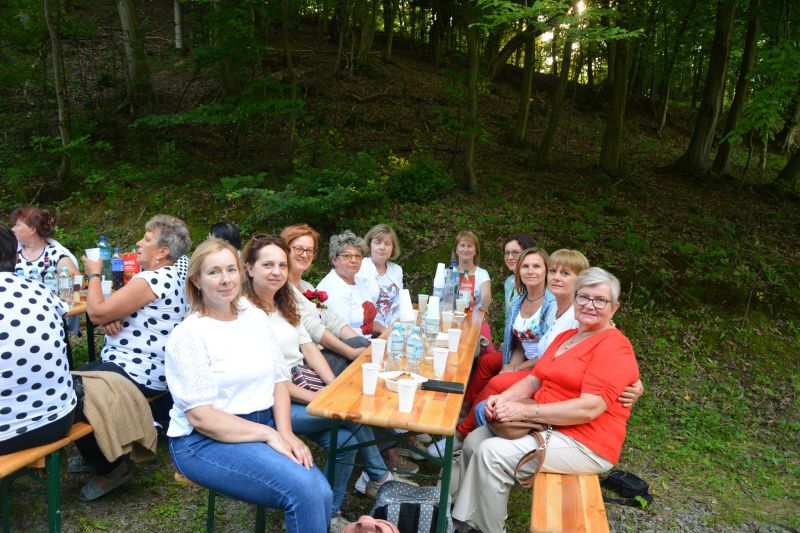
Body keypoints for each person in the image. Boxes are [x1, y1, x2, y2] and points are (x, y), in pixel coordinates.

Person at [241, 235, 416, 523]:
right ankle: (380, 478)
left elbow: (309, 347)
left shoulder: (282, 303)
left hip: (301, 383)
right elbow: (272, 381)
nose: (277, 272)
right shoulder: (245, 313)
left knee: (344, 440)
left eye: (281, 266)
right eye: (267, 265)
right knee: (350, 414)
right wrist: (324, 398)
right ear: (249, 268)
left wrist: (333, 387)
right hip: (270, 404)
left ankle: (329, 515)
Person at [451, 267, 640, 533]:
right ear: (574, 299)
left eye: (600, 300)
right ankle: (463, 519)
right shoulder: (566, 337)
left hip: (586, 441)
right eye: (583, 297)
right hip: (550, 425)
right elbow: (534, 380)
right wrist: (501, 399)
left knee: (491, 454)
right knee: (474, 440)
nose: (589, 305)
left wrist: (524, 412)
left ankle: (486, 528)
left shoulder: (613, 346)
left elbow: (589, 408)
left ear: (614, 307)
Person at [166, 239, 331, 533]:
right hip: (203, 440)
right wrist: (269, 433)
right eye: (214, 272)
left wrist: (285, 432)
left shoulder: (254, 317)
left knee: (323, 493)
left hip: (263, 422)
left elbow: (279, 380)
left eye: (231, 269)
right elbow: (202, 418)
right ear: (196, 281)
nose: (226, 279)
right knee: (305, 492)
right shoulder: (188, 334)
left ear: (241, 273)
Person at [74, 214, 191, 501]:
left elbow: (96, 312)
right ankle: (97, 453)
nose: (139, 243)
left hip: (139, 370)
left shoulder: (151, 279)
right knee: (80, 375)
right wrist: (111, 316)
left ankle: (112, 466)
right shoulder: (175, 274)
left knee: (72, 391)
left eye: (147, 239)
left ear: (163, 252)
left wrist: (94, 274)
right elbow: (112, 312)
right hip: (157, 368)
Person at [0, 223, 78, 455]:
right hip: (57, 419)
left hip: (7, 431)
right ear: (16, 257)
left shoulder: (54, 253)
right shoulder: (40, 289)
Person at [281, 224, 369, 376]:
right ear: (285, 250)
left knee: (363, 345)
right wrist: (350, 352)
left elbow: (330, 319)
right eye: (298, 249)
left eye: (309, 250)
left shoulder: (306, 286)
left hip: (321, 353)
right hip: (304, 361)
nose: (304, 255)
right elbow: (312, 327)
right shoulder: (282, 289)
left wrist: (361, 343)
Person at [317, 230, 380, 337]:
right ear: (334, 260)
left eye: (358, 256)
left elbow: (368, 321)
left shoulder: (358, 280)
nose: (354, 260)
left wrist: (388, 332)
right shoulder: (333, 287)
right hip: (350, 345)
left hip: (368, 340)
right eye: (347, 256)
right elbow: (342, 334)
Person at [356, 223, 404, 330]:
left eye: (387, 244)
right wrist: (385, 332)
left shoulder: (397, 270)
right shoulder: (360, 268)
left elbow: (399, 305)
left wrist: (395, 329)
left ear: (393, 248)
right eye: (377, 242)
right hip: (366, 329)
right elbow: (359, 309)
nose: (382, 247)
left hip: (391, 327)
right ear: (369, 245)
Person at [11, 207, 79, 277]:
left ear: (32, 230)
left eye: (18, 225)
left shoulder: (54, 254)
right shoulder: (11, 251)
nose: (13, 229)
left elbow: (77, 280)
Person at [501, 233, 533, 317]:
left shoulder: (535, 284)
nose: (510, 257)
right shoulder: (509, 282)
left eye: (515, 252)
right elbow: (508, 316)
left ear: (527, 254)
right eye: (506, 253)